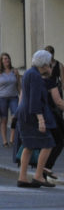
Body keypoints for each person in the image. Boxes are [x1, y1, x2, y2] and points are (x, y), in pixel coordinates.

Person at [17, 49, 56, 188]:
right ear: (44, 64)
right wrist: (41, 119)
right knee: (48, 143)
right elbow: (35, 100)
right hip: (32, 114)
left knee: (28, 145)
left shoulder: (29, 73)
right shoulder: (36, 76)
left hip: (24, 113)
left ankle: (22, 177)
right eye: (49, 64)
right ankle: (38, 176)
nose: (50, 66)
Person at [42, 45, 64, 181]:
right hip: (52, 114)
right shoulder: (50, 82)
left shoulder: (33, 78)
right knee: (58, 141)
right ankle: (45, 167)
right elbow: (58, 102)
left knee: (47, 142)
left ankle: (42, 171)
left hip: (42, 114)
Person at [0, 52, 21, 148]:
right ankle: (5, 141)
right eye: (4, 59)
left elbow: (18, 85)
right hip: (1, 98)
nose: (6, 60)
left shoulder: (15, 71)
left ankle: (12, 138)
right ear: (1, 61)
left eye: (7, 58)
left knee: (15, 117)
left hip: (13, 97)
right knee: (4, 119)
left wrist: (21, 95)